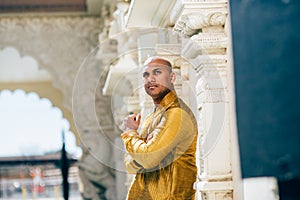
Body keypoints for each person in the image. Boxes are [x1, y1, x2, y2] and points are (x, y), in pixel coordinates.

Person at [121, 56, 198, 200]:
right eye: (146, 75)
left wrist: (131, 133)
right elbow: (128, 164)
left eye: (157, 72)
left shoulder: (177, 114)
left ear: (172, 77)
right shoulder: (152, 117)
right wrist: (143, 152)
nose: (150, 79)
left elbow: (148, 158)